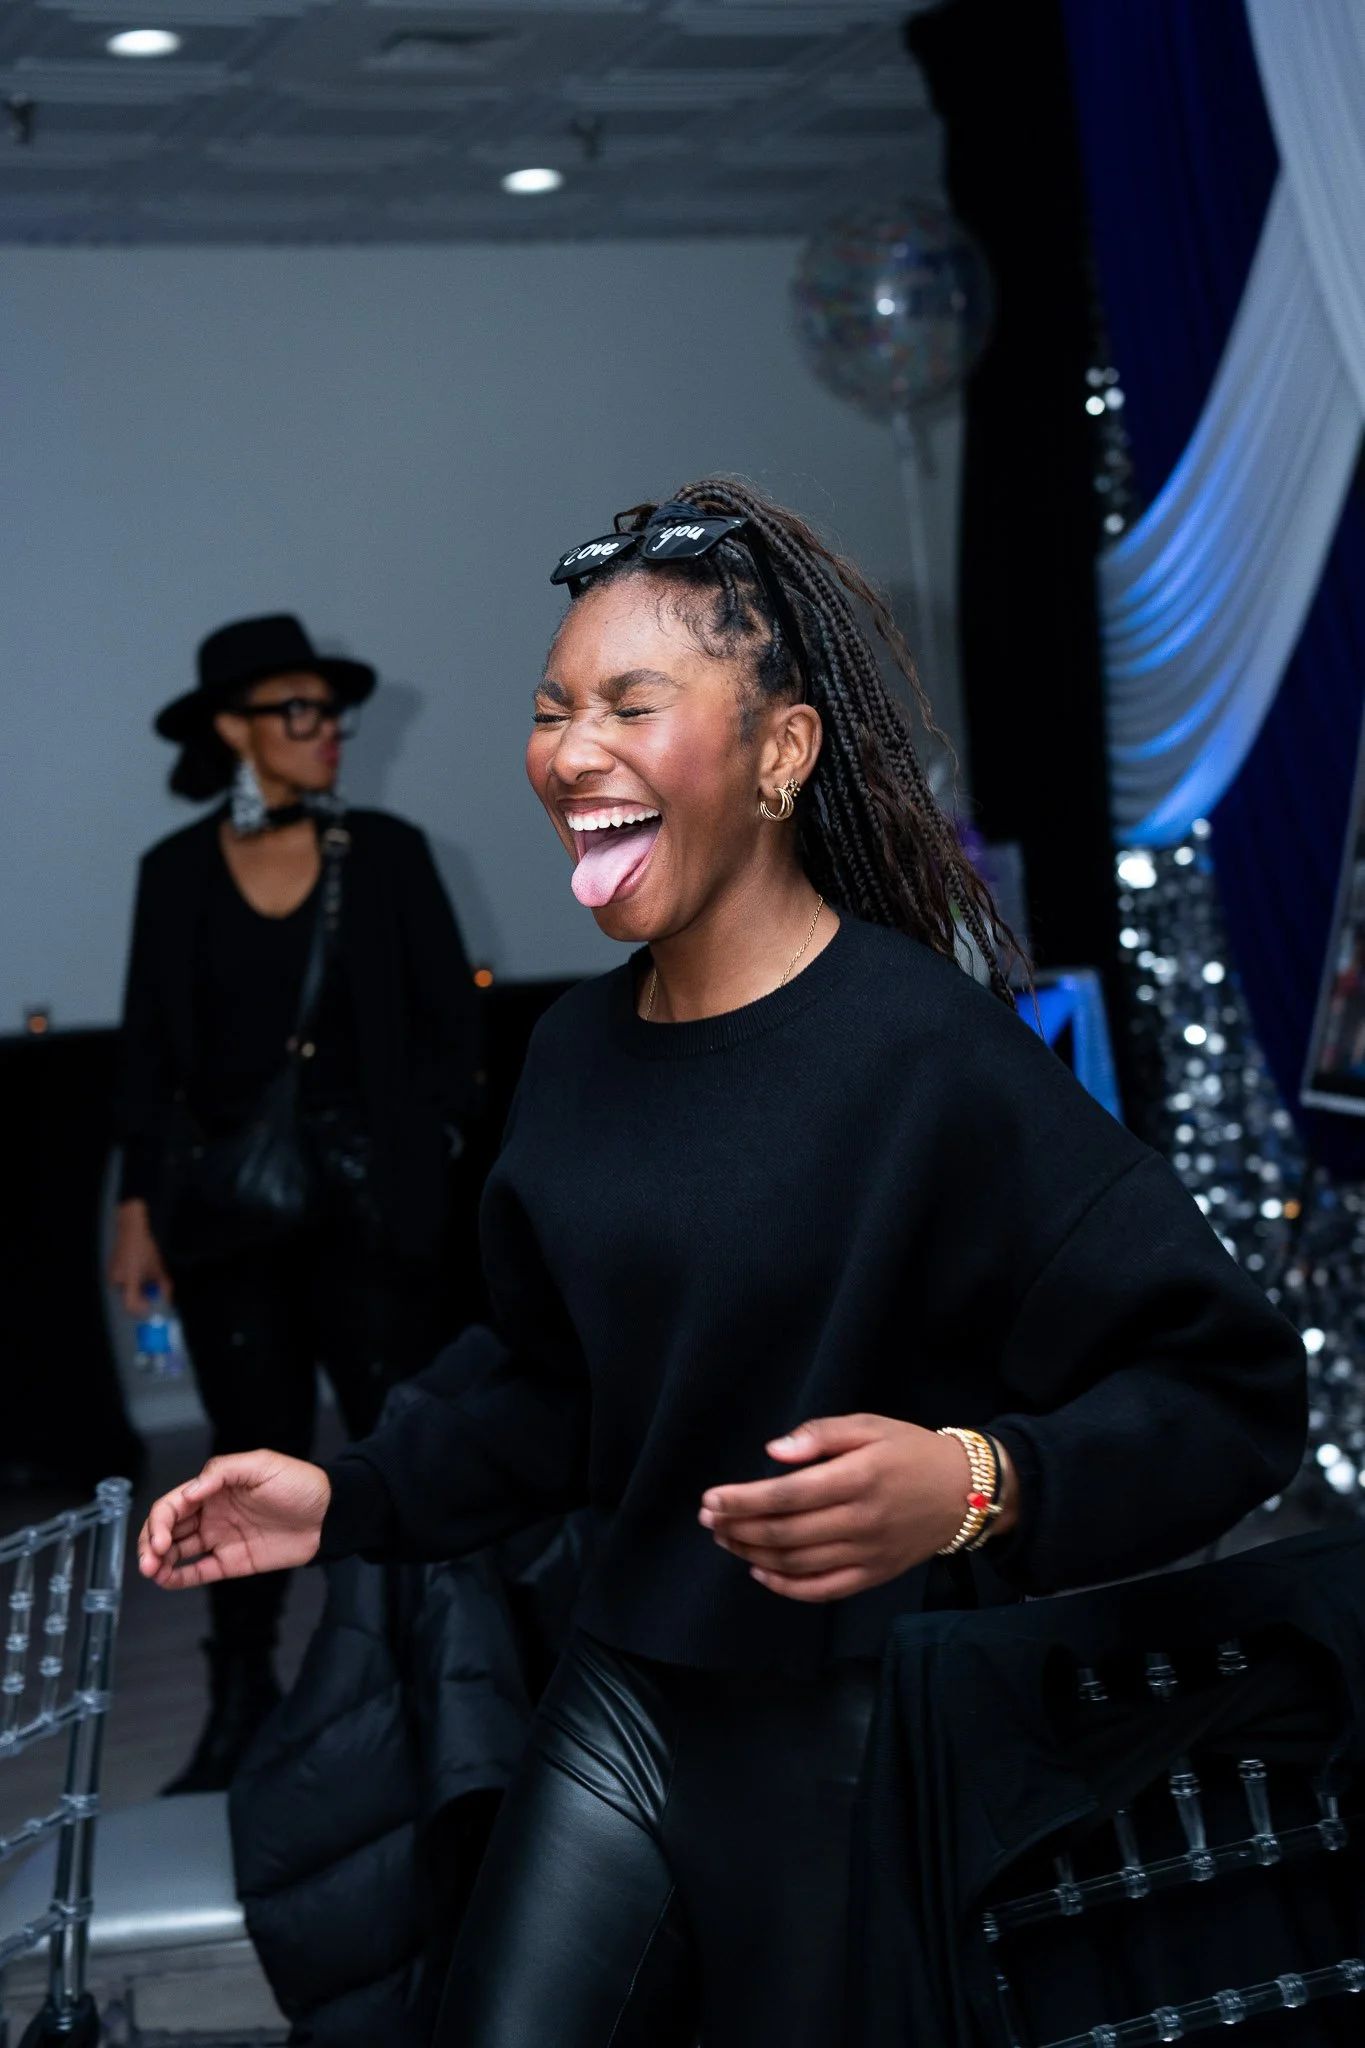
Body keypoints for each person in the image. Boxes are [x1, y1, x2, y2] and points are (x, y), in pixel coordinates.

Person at [138, 488, 1305, 2043]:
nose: (570, 749)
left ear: (780, 752)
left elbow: (1229, 1392)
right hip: (621, 1697)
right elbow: (548, 1382)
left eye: (630, 703)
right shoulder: (570, 1054)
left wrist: (974, 1483)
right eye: (553, 709)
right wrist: (346, 1494)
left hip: (864, 1732)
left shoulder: (921, 1053)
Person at [114, 612, 479, 1793]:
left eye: (332, 710)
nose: (329, 734)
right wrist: (135, 1210)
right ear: (235, 728)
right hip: (231, 1219)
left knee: (397, 1447)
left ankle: (429, 1682)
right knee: (244, 1456)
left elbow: (454, 1036)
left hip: (377, 1214)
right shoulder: (171, 875)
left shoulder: (387, 850)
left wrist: (425, 1146)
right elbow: (148, 1055)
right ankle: (239, 1702)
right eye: (300, 710)